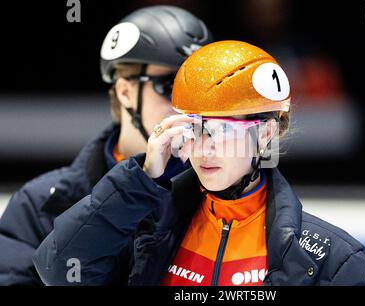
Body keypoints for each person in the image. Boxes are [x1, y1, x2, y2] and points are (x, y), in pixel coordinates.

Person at [33, 40, 365, 286]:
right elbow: (59, 270)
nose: (204, 148)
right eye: (193, 129)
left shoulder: (332, 260)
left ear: (265, 133)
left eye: (220, 129)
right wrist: (141, 179)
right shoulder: (146, 229)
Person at [0, 5, 212, 285]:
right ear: (125, 92)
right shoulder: (41, 203)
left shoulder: (223, 192)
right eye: (170, 86)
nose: (186, 106)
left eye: (199, 89)